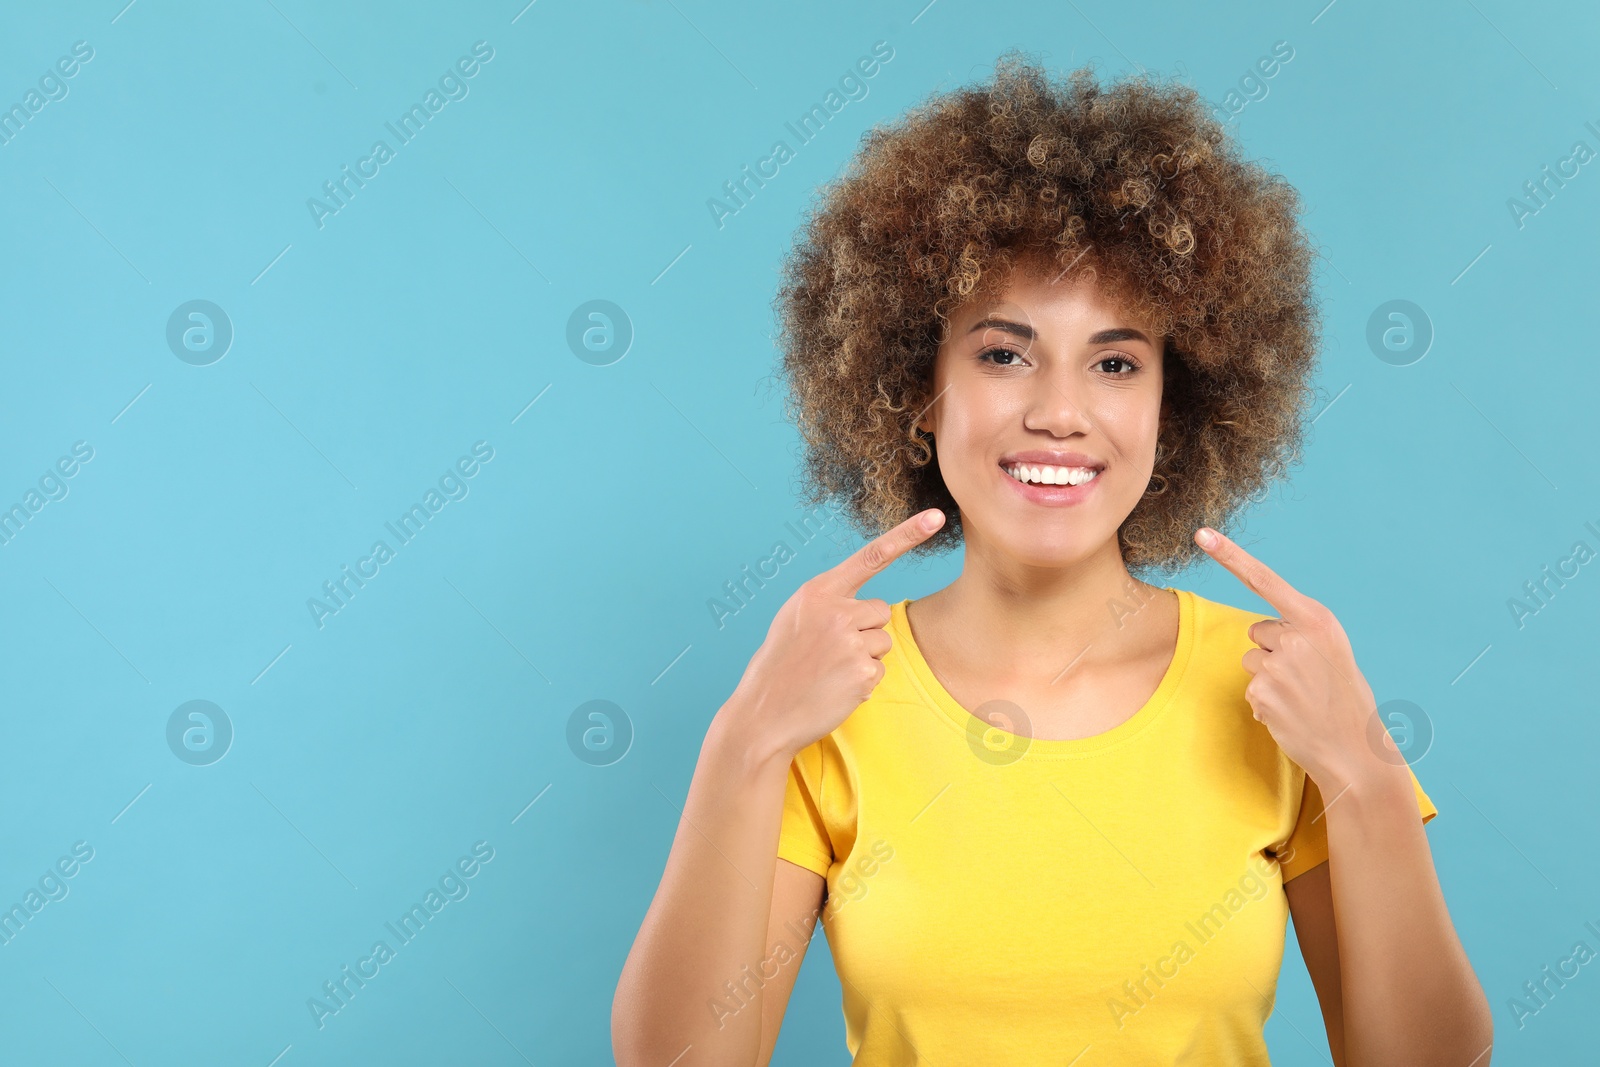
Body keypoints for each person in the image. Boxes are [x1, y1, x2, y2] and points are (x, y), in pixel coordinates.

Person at [613, 52, 1492, 1066]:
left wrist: (1366, 771)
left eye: (1115, 362)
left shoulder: (1279, 690)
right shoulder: (826, 695)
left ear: (1177, 406)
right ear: (919, 386)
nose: (1058, 412)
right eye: (1001, 352)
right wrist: (745, 739)